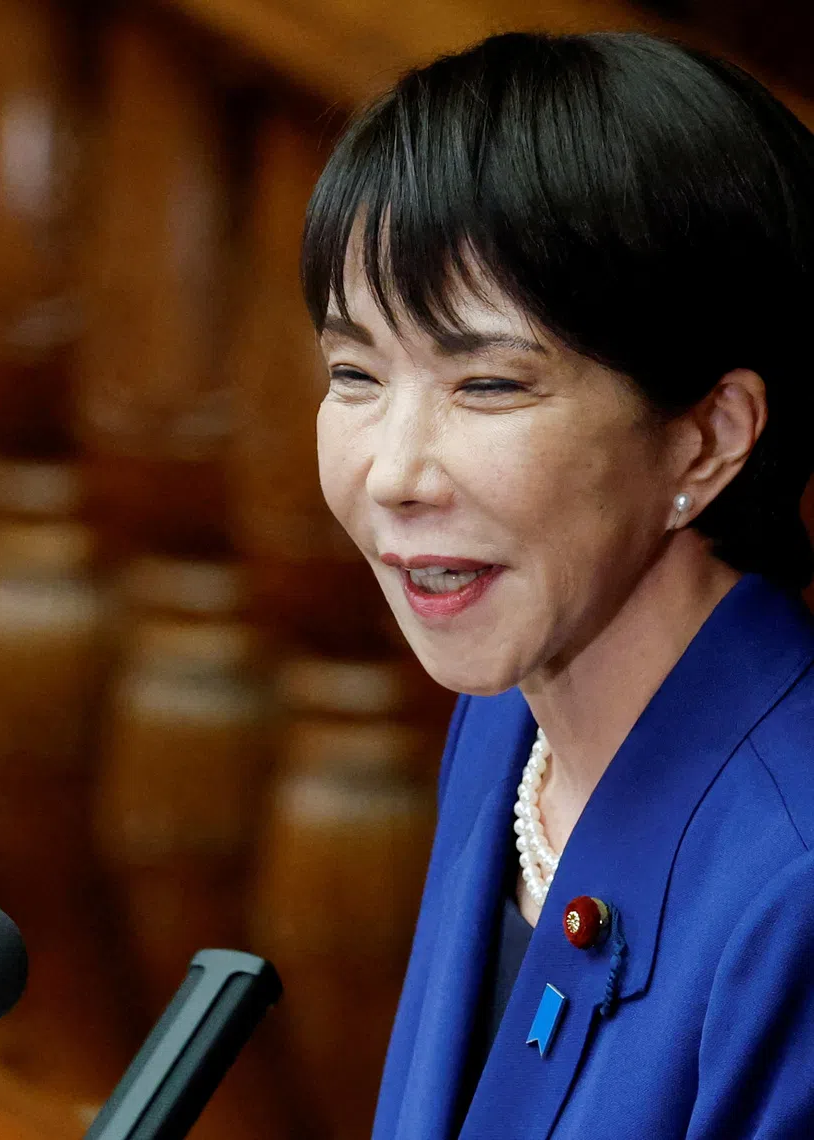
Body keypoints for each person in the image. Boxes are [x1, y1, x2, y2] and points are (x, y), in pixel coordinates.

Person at [301, 29, 814, 1139]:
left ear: (708, 438)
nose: (394, 473)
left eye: (487, 384)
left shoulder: (795, 882)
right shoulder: (502, 722)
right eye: (355, 375)